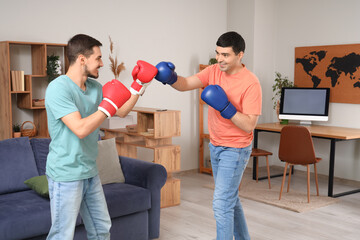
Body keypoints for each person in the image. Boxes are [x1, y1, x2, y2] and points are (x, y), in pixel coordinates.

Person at [45, 34, 157, 240]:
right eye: (97, 58)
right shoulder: (58, 88)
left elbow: (121, 110)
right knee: (62, 235)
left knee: (101, 229)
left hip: (90, 171)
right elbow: (79, 129)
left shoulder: (95, 88)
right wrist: (107, 108)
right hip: (66, 173)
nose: (102, 63)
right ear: (82, 59)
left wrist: (139, 84)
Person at [154, 31, 262, 240]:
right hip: (215, 145)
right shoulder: (213, 71)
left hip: (236, 148)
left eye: (226, 55)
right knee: (230, 199)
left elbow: (249, 125)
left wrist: (226, 108)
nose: (220, 59)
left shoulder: (251, 83)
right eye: (218, 54)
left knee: (221, 203)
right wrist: (170, 78)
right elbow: (185, 84)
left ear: (240, 55)